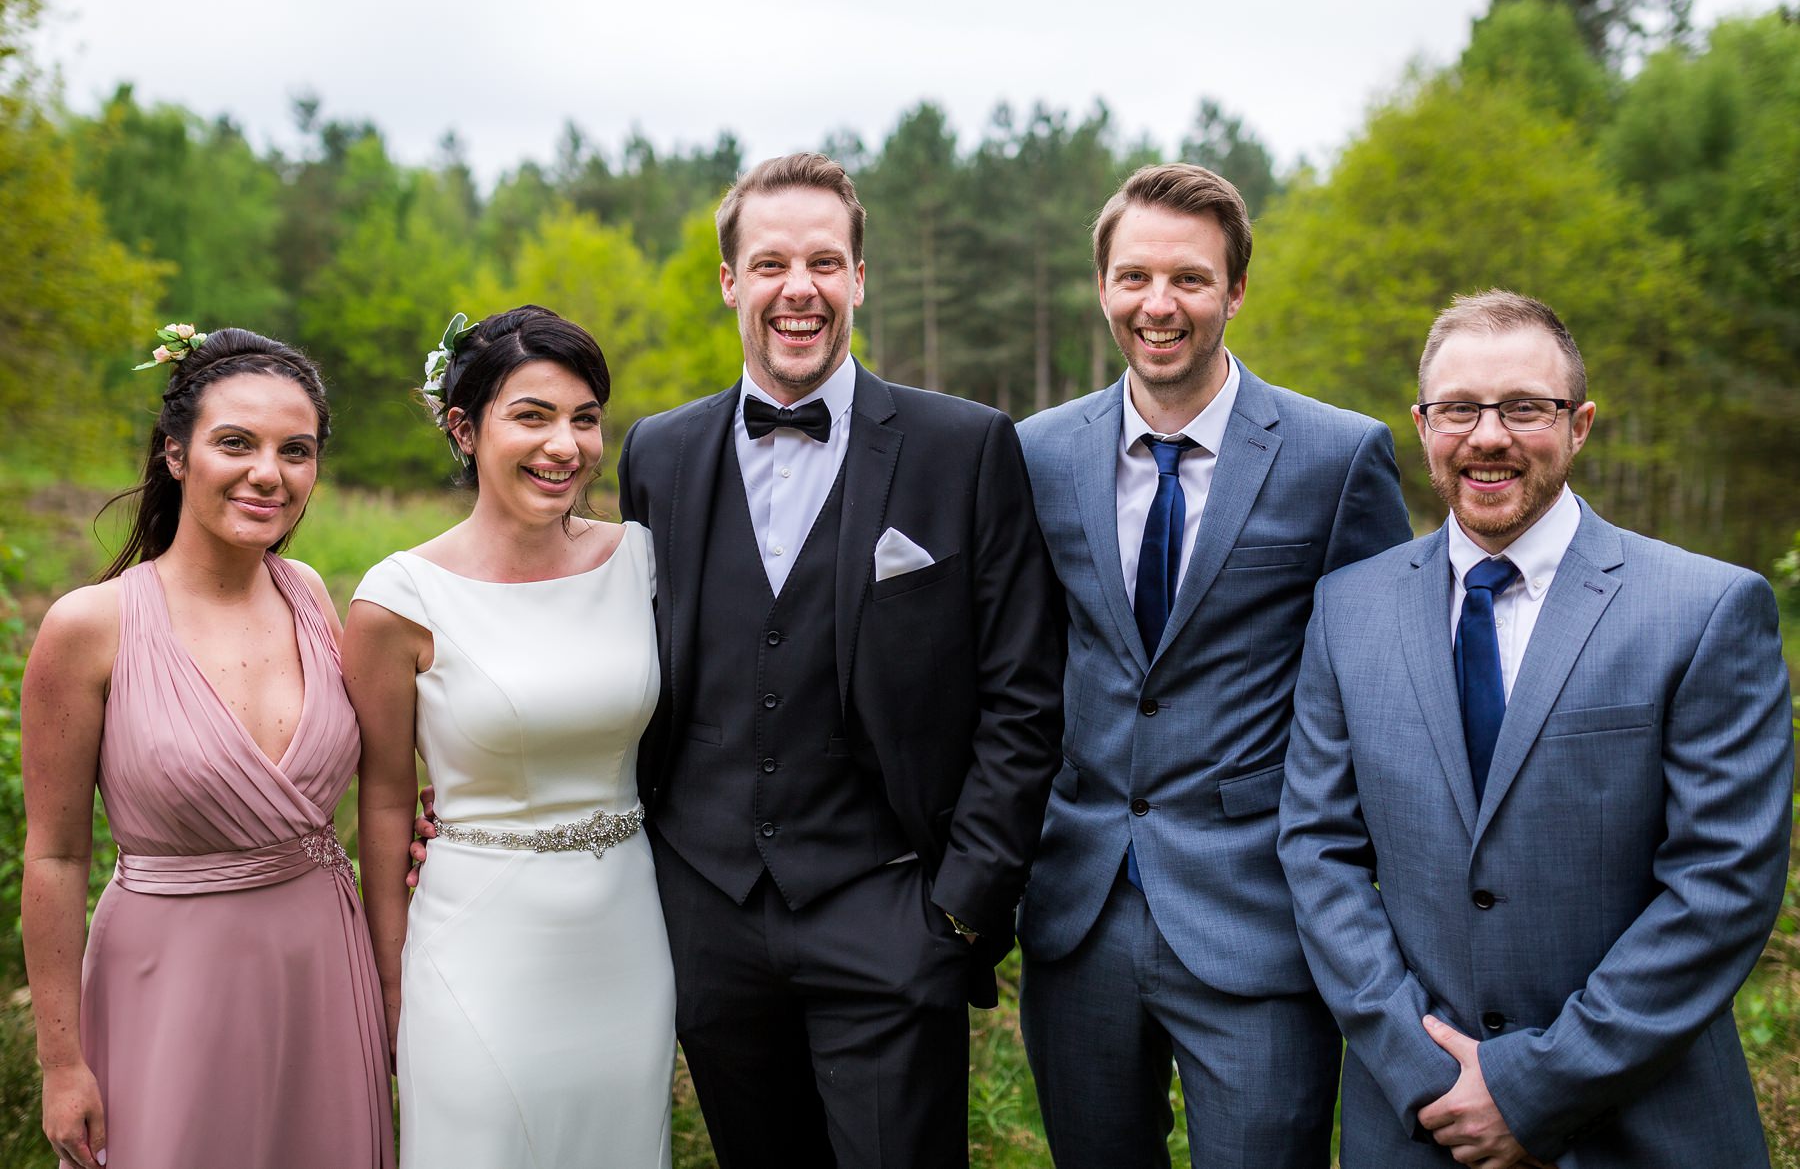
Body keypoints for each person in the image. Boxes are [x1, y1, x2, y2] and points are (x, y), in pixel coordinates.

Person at [612, 152, 1064, 1167]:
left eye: (824, 260)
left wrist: (958, 910)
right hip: (710, 918)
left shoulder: (966, 445)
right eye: (769, 262)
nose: (798, 288)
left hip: (891, 911)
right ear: (729, 280)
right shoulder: (659, 454)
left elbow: (1023, 694)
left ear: (860, 276)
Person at [1278, 290, 1794, 1169]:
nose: (1488, 436)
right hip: (1417, 1119)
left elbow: (1721, 886)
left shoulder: (1705, 609)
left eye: (1524, 407)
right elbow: (1318, 850)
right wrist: (1422, 1067)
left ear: (1581, 423)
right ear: (1422, 423)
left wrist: (1534, 1086)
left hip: (1638, 1121)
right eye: (1459, 410)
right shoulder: (1347, 609)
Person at [1014, 163, 1413, 1168]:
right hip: (1080, 911)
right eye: (1136, 276)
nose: (1161, 304)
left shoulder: (1336, 456)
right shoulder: (1035, 453)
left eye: (1190, 278)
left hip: (1263, 913)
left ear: (1236, 289)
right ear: (1101, 284)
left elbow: (1386, 687)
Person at [20, 326, 394, 1169]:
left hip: (322, 968)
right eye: (236, 443)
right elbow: (52, 854)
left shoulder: (307, 594)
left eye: (295, 451)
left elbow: (379, 766)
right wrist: (60, 1061)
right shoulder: (91, 625)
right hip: (169, 981)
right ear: (175, 455)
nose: (270, 472)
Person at [346, 305, 675, 1167]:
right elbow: (382, 802)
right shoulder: (398, 599)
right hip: (476, 946)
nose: (564, 445)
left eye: (585, 418)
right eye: (531, 416)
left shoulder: (642, 561)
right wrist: (387, 982)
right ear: (463, 428)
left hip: (626, 937)